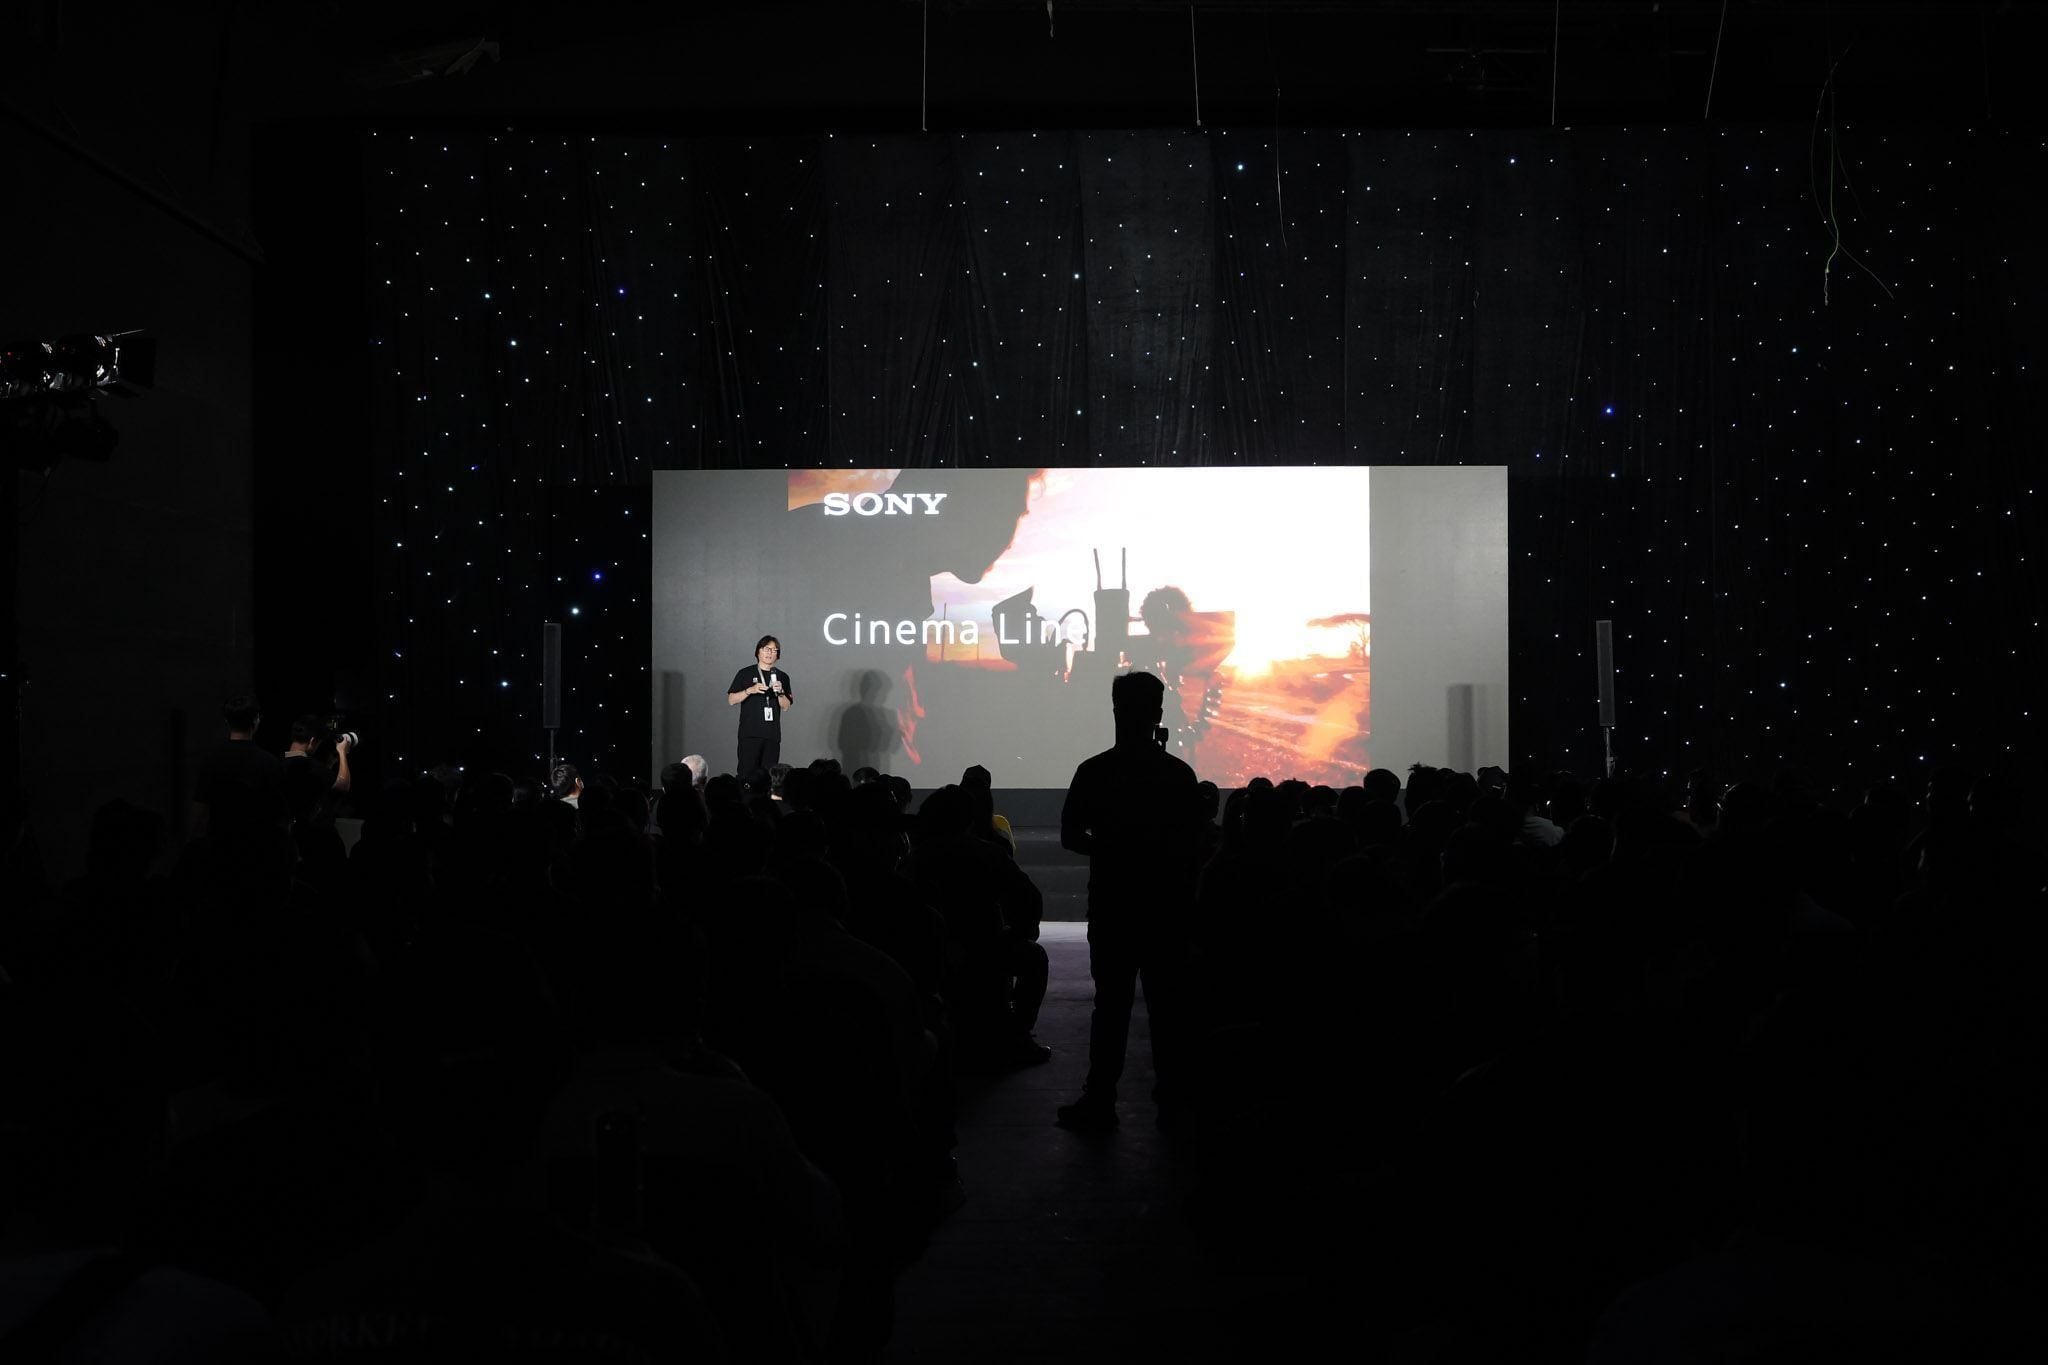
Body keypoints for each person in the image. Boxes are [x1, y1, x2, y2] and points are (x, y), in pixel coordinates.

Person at [1055, 671, 1204, 1132]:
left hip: (1114, 906)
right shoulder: (1178, 775)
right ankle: (1173, 1097)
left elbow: (1070, 836)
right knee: (1167, 1007)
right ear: (1158, 713)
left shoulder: (1095, 771)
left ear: (1116, 709)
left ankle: (1101, 1097)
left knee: (1111, 1006)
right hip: (1165, 909)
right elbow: (1194, 844)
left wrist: (1111, 849)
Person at [728, 635, 793, 793]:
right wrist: (750, 690)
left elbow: (786, 706)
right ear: (758, 651)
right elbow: (731, 700)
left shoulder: (782, 677)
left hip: (772, 735)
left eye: (774, 650)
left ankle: (766, 804)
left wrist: (780, 693)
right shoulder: (745, 673)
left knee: (769, 777)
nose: (770, 653)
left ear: (778, 655)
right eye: (766, 649)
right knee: (746, 774)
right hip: (750, 733)